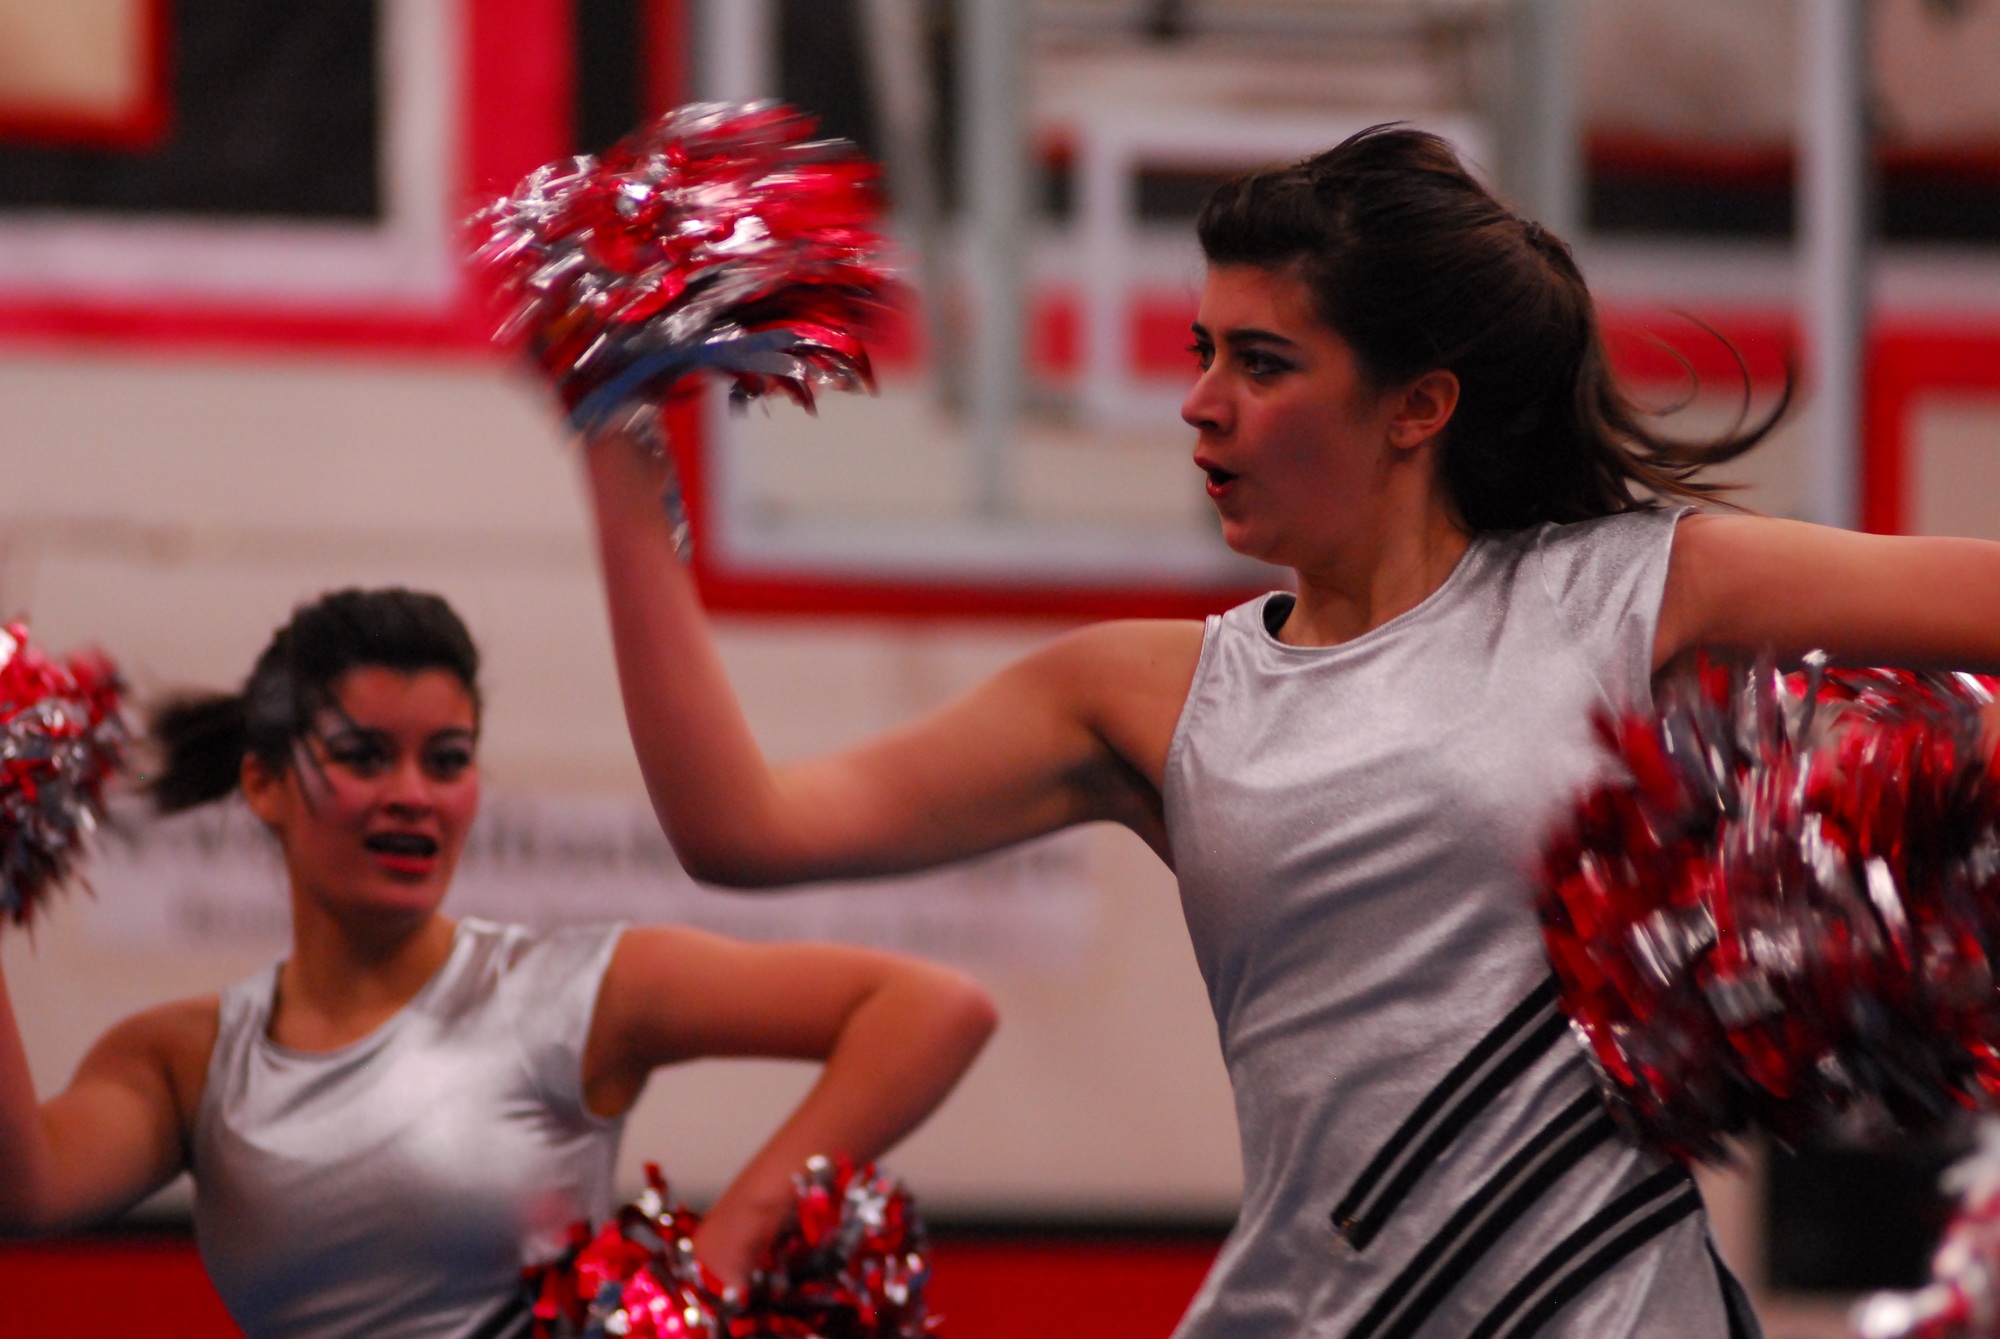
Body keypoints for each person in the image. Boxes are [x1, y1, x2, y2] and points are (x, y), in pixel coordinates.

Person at [579, 125, 2000, 1338]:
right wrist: (618, 445)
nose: (1199, 404)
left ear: (1416, 407)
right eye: (1203, 352)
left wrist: (1906, 854)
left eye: (1262, 363)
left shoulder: (1626, 593)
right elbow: (743, 825)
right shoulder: (1145, 692)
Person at [0, 587, 996, 1339]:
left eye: (446, 759)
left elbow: (930, 1005)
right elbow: (27, 1189)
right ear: (262, 783)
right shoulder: (186, 1056)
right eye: (364, 755)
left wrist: (718, 1261)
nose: (413, 794)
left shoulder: (570, 991)